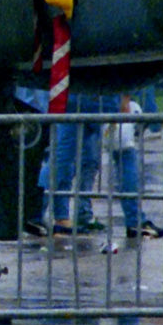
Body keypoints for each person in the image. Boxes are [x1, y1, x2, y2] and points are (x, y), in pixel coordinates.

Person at [36, 91, 116, 236]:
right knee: (63, 157)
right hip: (95, 93)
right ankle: (36, 212)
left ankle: (58, 215)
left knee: (65, 157)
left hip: (75, 93)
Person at [107, 95, 163, 240]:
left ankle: (60, 214)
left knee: (72, 155)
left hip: (78, 92)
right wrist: (124, 96)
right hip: (108, 94)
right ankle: (135, 221)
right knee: (126, 155)